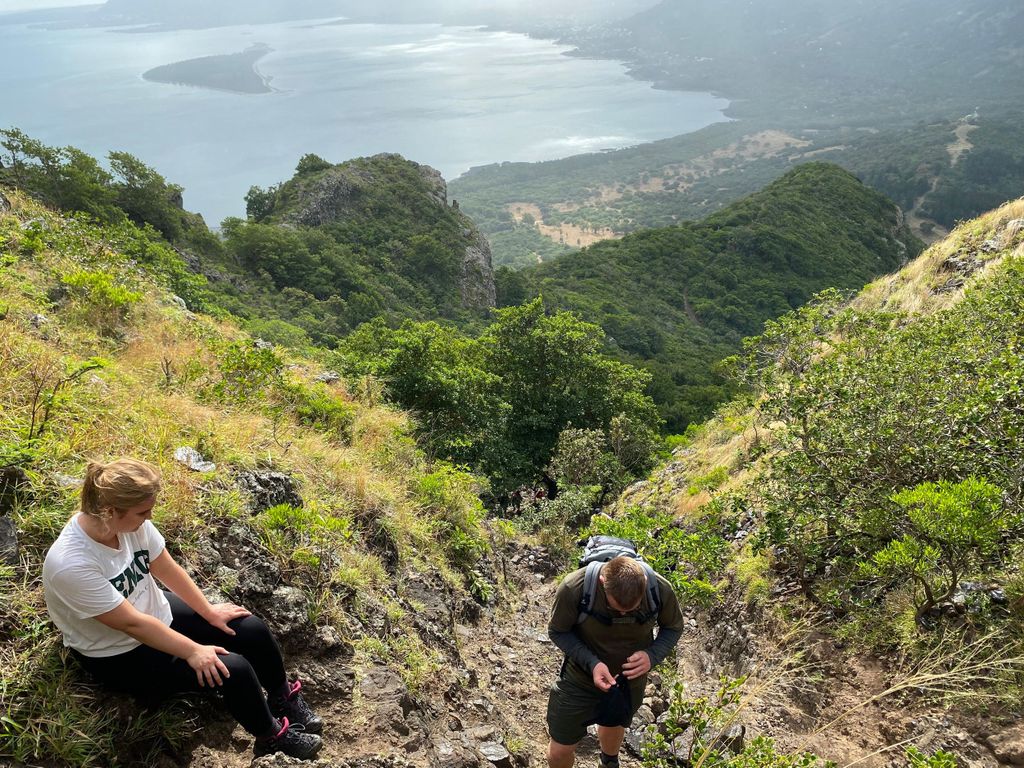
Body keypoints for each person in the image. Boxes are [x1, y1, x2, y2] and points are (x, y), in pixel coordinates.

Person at [42, 458, 323, 760]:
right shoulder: (71, 564)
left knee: (249, 628)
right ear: (110, 511)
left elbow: (164, 567)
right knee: (232, 669)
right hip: (118, 652)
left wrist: (209, 612)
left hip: (153, 612)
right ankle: (270, 737)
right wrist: (193, 650)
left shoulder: (130, 525)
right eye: (143, 511)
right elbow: (132, 625)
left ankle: (281, 698)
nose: (150, 516)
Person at [546, 555, 684, 768]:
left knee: (614, 723)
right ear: (603, 582)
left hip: (629, 682)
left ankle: (609, 761)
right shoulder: (575, 588)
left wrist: (652, 655)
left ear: (644, 584)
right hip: (579, 679)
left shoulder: (659, 590)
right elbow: (557, 630)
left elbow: (673, 627)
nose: (623, 613)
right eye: (617, 608)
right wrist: (592, 663)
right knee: (559, 752)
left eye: (630, 610)